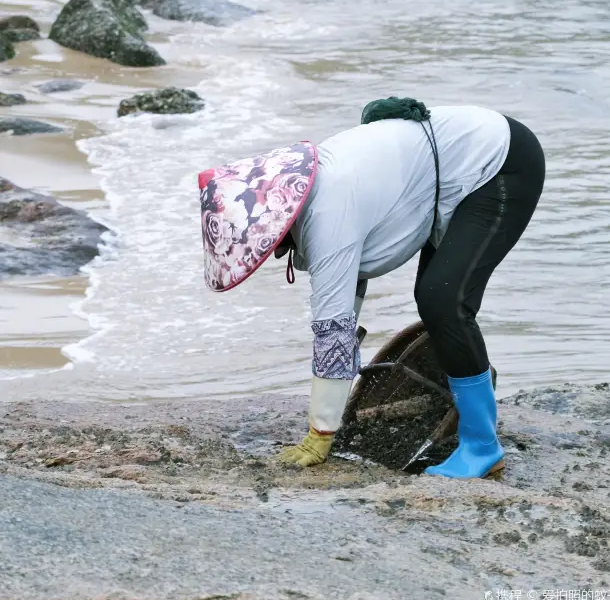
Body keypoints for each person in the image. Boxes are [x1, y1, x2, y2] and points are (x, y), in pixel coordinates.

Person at [198, 98, 545, 479]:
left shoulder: (329, 213)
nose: (271, 253)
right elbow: (346, 305)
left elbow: (334, 330)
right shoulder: (309, 185)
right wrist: (332, 395)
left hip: (500, 162)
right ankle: (468, 391)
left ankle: (482, 446)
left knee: (444, 300)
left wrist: (320, 434)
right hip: (449, 165)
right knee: (438, 299)